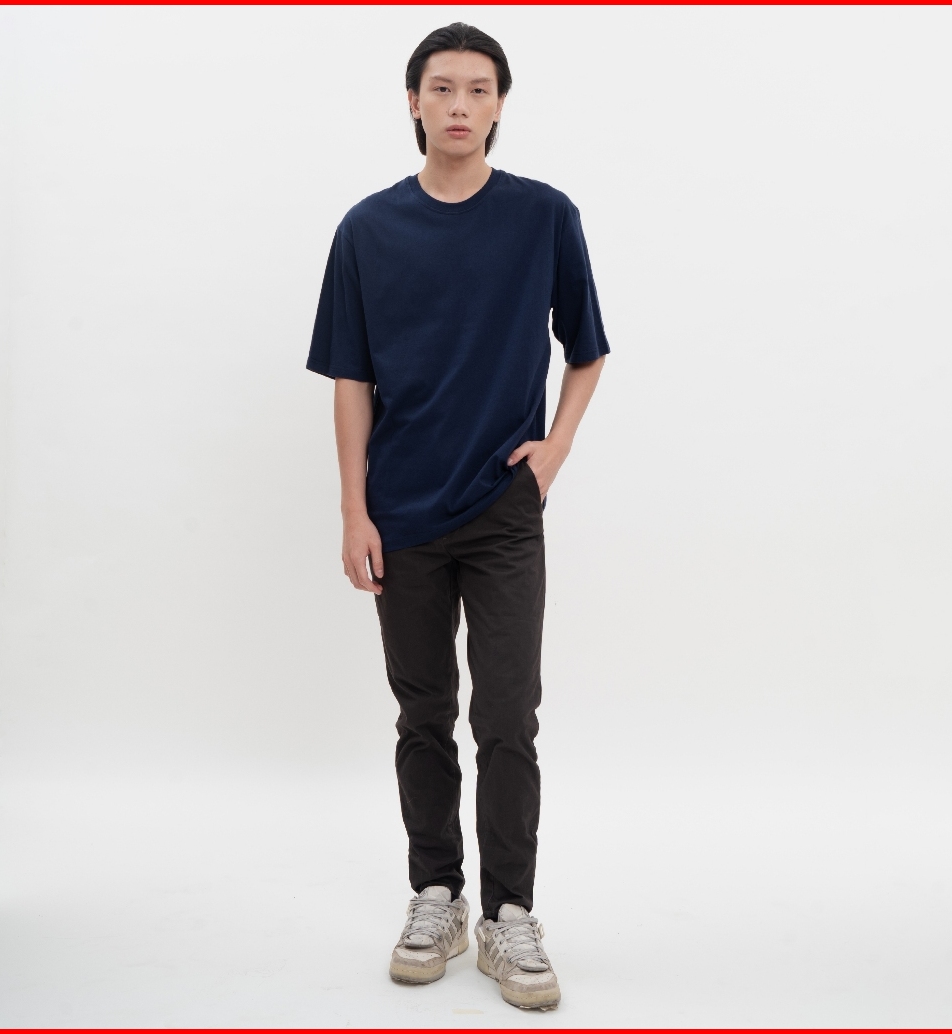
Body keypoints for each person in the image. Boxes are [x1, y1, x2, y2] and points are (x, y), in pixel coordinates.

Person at [305, 21, 610, 1012]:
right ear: (413, 102)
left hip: (503, 510)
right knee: (423, 712)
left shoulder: (542, 217)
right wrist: (353, 509)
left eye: (479, 89)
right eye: (442, 88)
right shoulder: (366, 230)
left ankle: (509, 914)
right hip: (400, 512)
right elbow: (350, 381)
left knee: (506, 716)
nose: (460, 105)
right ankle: (436, 893)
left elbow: (587, 348)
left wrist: (553, 450)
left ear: (499, 105)